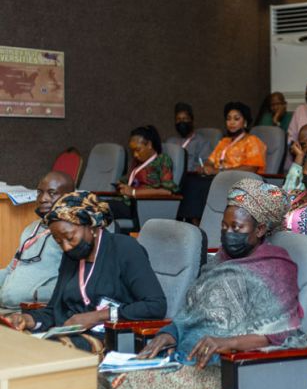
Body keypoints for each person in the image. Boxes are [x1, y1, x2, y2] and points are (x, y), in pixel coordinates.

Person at [99, 179, 306, 389]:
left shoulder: (275, 269)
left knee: (126, 387)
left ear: (260, 229)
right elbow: (191, 313)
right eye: (224, 227)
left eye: (237, 228)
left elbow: (282, 334)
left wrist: (228, 342)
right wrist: (170, 334)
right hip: (184, 358)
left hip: (226, 371)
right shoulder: (220, 260)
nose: (228, 234)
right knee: (103, 379)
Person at [7, 191, 167, 354]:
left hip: (110, 337)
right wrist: (28, 319)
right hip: (68, 333)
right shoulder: (71, 256)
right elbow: (55, 309)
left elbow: (155, 305)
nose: (66, 247)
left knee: (42, 352)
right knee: (11, 341)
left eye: (70, 237)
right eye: (59, 242)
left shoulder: (124, 248)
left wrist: (97, 316)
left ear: (92, 227)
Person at [177, 102, 267, 224]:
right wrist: (206, 167)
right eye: (228, 119)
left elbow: (252, 168)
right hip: (220, 178)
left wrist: (219, 171)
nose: (231, 122)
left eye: (236, 119)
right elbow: (210, 161)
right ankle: (191, 222)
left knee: (200, 186)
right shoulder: (225, 141)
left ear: (245, 122)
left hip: (242, 181)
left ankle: (197, 223)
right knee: (190, 181)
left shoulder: (252, 141)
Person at [0, 172, 74, 311]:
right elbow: (12, 269)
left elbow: (76, 280)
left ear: (69, 197)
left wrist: (37, 295)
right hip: (8, 305)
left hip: (38, 309)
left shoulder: (72, 232)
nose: (43, 199)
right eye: (40, 192)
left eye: (52, 193)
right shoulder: (31, 229)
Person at [108, 125, 178, 222]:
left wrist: (134, 192)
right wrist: (122, 185)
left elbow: (167, 191)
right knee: (93, 203)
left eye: (138, 150)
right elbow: (130, 181)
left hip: (141, 207)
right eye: (133, 151)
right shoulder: (137, 162)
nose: (135, 155)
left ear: (149, 144)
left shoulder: (162, 160)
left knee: (99, 206)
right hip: (126, 202)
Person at [167, 102, 216, 172]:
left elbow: (205, 167)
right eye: (178, 119)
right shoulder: (170, 142)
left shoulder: (202, 143)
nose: (181, 122)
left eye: (185, 119)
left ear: (192, 121)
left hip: (190, 176)